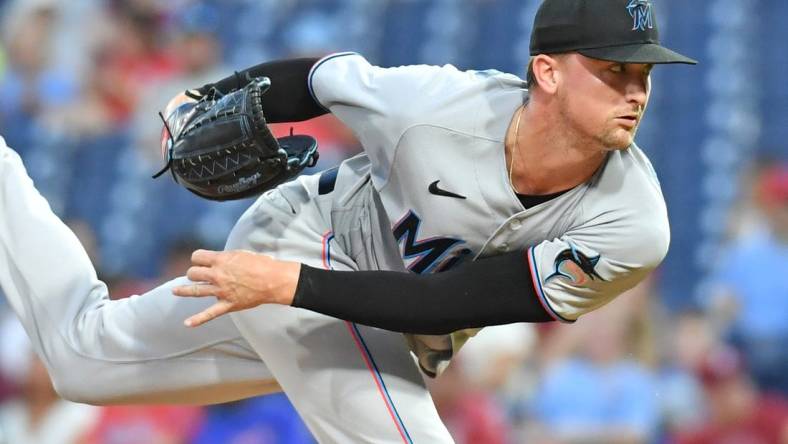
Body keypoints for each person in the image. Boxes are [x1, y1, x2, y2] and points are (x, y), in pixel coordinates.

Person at [0, 1, 696, 443]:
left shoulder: (632, 224)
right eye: (613, 70)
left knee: (81, 358)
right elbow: (320, 78)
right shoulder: (439, 107)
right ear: (546, 72)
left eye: (644, 74)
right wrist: (205, 97)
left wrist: (286, 286)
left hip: (319, 291)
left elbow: (448, 301)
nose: (635, 90)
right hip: (308, 241)